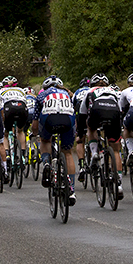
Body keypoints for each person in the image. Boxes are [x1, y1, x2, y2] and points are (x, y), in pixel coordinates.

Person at [33, 76, 77, 206]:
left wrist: (36, 134)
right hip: (67, 118)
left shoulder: (41, 95)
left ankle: (46, 163)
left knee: (45, 141)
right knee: (68, 153)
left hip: (49, 118)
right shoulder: (68, 94)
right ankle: (72, 190)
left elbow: (35, 122)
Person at [80, 74, 124, 199]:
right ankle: (119, 184)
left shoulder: (89, 91)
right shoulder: (113, 91)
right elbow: (120, 110)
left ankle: (94, 152)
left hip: (97, 110)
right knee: (115, 149)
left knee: (91, 127)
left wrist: (81, 133)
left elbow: (82, 114)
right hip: (114, 112)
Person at [71, 77, 91, 182]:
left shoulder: (77, 92)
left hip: (80, 113)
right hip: (92, 112)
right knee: (93, 133)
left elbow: (72, 106)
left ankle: (82, 165)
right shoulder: (93, 90)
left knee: (80, 140)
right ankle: (96, 152)